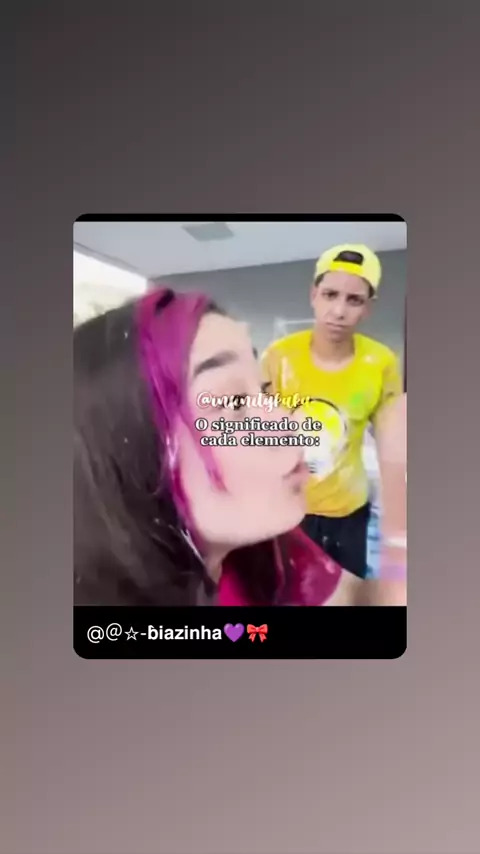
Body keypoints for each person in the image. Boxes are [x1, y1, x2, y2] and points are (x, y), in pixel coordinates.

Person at [75, 286, 375, 607]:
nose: (292, 426)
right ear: (129, 458)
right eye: (234, 403)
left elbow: (361, 600)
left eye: (265, 391)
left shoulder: (270, 553)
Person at [261, 244, 403, 579]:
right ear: (314, 295)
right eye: (329, 295)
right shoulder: (278, 357)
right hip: (289, 511)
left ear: (368, 308)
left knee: (348, 595)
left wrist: (398, 527)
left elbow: (392, 444)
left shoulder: (381, 362)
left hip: (350, 513)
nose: (338, 311)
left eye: (354, 300)